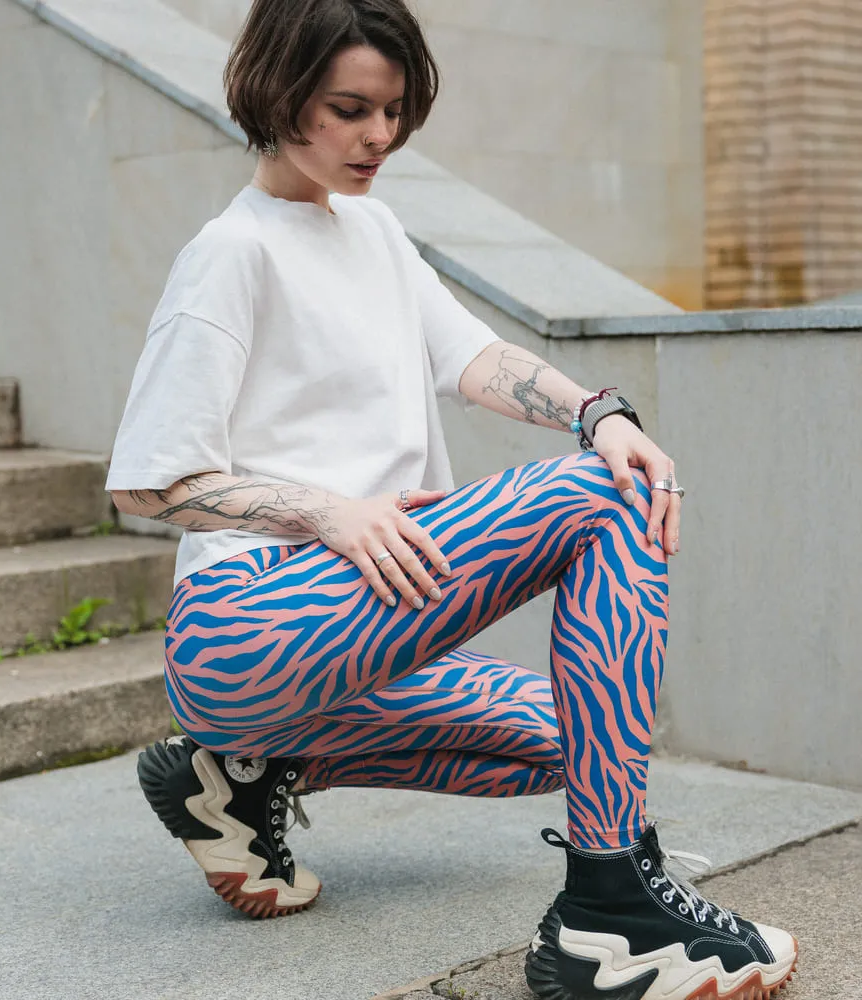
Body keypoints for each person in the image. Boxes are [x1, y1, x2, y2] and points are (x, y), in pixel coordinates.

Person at [106, 1, 798, 997]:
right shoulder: (231, 252)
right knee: (605, 496)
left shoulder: (373, 230)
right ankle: (609, 916)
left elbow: (474, 357)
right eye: (350, 109)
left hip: (355, 626)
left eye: (393, 111)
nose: (379, 136)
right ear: (278, 94)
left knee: (579, 737)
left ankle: (242, 776)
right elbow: (149, 477)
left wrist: (598, 411)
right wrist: (329, 511)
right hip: (245, 622)